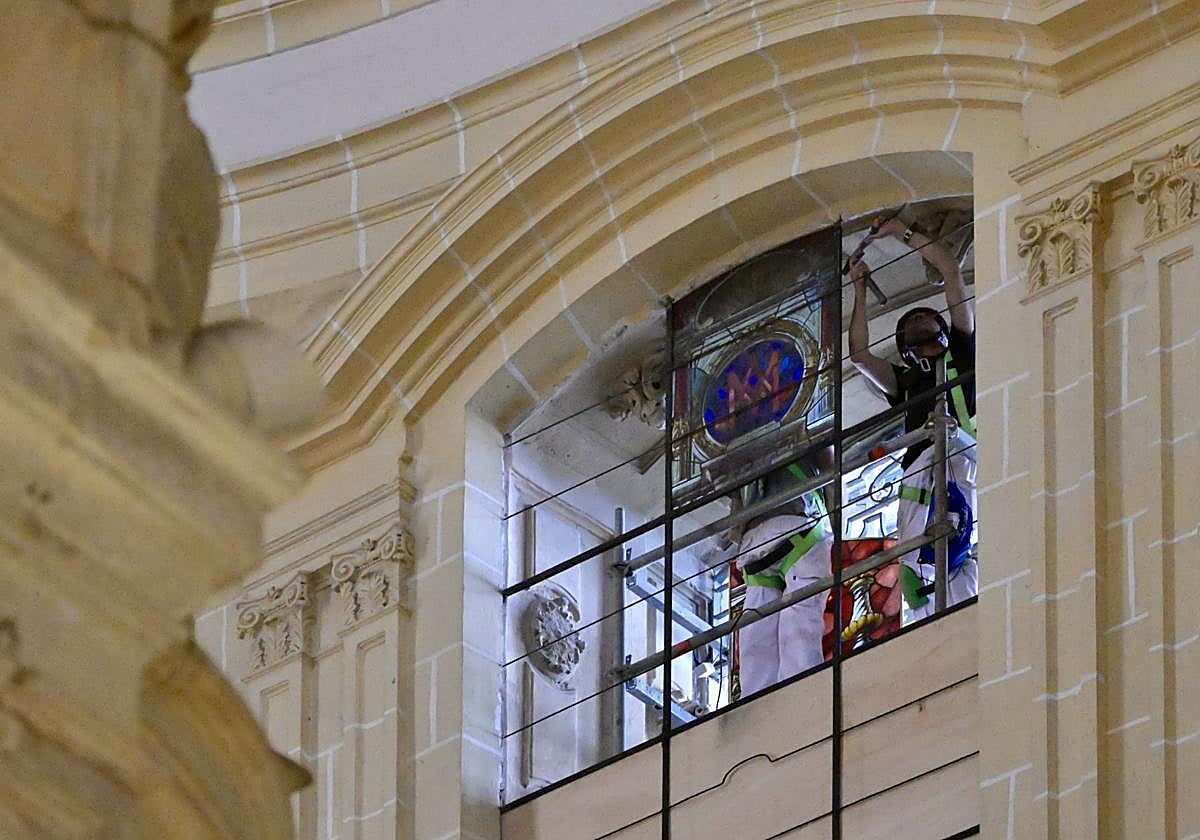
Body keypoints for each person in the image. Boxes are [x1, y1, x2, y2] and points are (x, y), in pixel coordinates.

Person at [847, 217, 977, 623]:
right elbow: (860, 356)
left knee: (957, 544)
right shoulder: (905, 381)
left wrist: (903, 233)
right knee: (915, 566)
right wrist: (859, 289)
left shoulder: (962, 352)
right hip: (918, 470)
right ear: (905, 349)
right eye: (912, 325)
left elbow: (950, 269)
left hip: (958, 455)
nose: (922, 322)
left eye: (927, 319)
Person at [733, 458, 834, 696]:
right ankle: (799, 699)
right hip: (800, 527)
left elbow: (734, 521)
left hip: (754, 547)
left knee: (756, 642)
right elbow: (831, 467)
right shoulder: (800, 424)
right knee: (800, 626)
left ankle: (758, 710)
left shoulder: (736, 443)